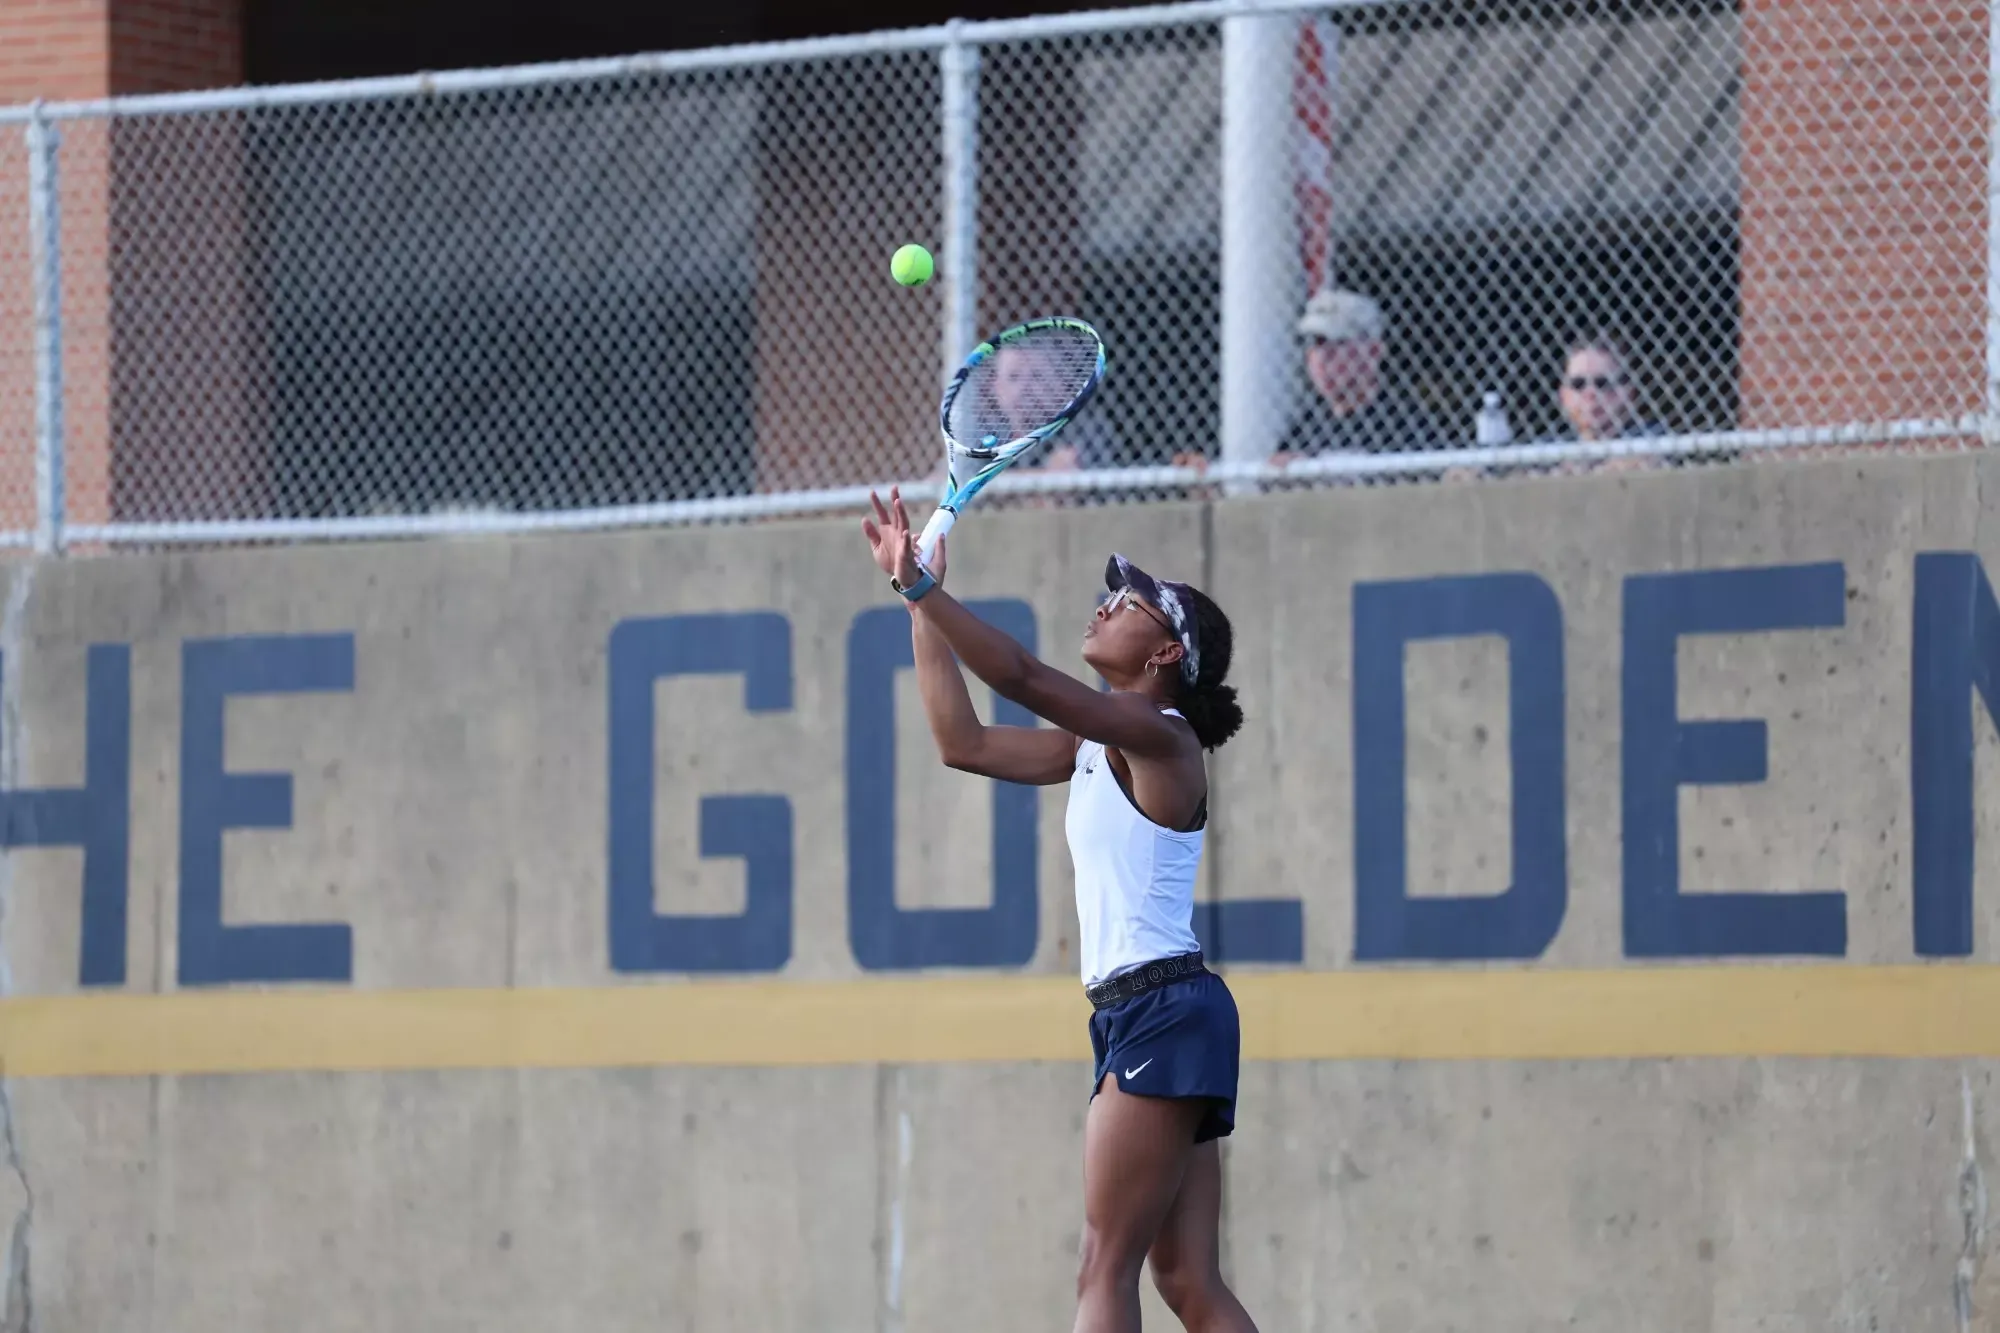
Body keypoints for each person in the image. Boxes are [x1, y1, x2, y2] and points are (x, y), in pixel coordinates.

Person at [859, 486, 1260, 1333]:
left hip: (1161, 1008)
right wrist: (917, 601)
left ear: (1163, 655)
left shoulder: (1162, 737)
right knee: (1187, 1279)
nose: (1107, 603)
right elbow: (960, 742)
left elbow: (1018, 676)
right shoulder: (1096, 745)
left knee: (1101, 1266)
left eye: (1132, 603)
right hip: (1155, 1010)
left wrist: (926, 590)